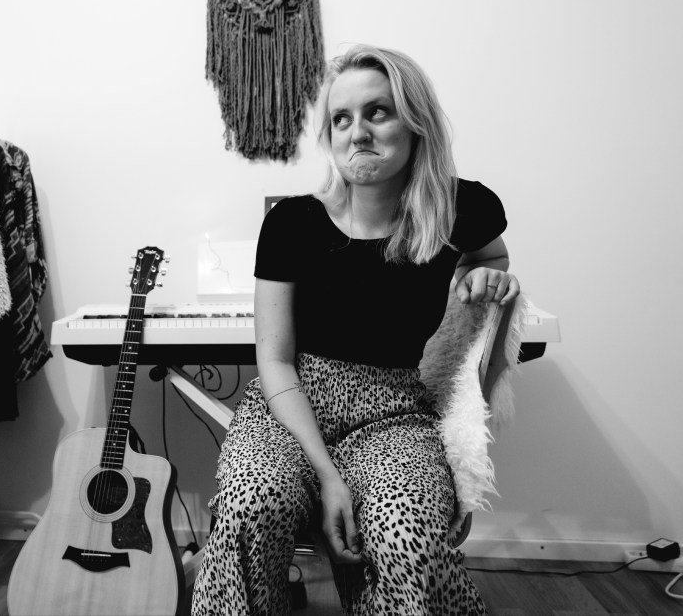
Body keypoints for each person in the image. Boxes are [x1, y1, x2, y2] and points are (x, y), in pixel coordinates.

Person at [190, 44, 519, 615]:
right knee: (251, 502)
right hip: (290, 406)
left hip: (394, 410)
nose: (357, 132)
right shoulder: (291, 223)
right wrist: (327, 475)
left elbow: (492, 256)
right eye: (341, 119)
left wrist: (481, 277)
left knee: (404, 527)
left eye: (377, 112)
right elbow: (274, 359)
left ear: (415, 123)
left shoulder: (460, 207)